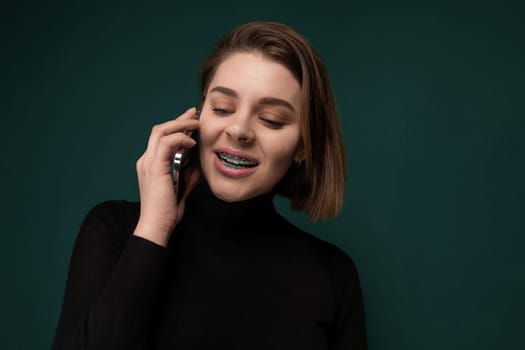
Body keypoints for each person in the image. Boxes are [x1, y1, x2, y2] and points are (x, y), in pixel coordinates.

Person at [51, 21, 367, 349]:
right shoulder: (114, 230)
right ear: (199, 117)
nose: (239, 129)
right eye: (222, 108)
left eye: (271, 119)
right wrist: (153, 230)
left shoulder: (331, 276)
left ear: (303, 146)